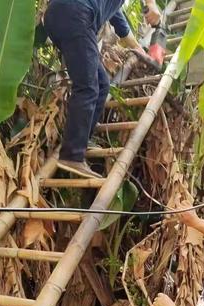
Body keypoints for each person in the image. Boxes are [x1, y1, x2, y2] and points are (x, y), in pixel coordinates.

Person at [44, 0, 161, 178]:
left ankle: (83, 139)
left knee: (102, 84)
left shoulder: (109, 4)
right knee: (88, 87)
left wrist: (139, 49)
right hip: (76, 14)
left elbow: (122, 27)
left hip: (60, 16)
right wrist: (151, 5)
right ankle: (72, 155)